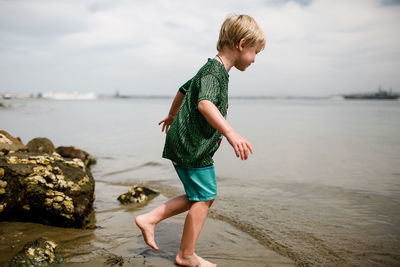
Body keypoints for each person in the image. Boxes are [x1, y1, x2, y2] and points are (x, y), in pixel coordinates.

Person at [135, 14, 266, 267]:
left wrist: (173, 115)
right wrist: (231, 133)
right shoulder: (214, 73)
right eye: (255, 52)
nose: (254, 59)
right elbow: (205, 104)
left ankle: (151, 219)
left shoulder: (211, 69)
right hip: (191, 146)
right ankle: (185, 254)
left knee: (202, 195)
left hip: (188, 142)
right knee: (205, 196)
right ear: (241, 44)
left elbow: (183, 89)